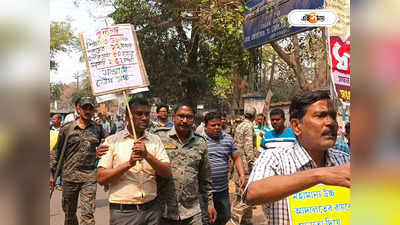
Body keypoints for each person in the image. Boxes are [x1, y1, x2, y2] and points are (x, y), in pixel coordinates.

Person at [245, 90, 350, 225]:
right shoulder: (274, 158)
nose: (331, 123)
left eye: (332, 116)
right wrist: (319, 175)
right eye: (320, 116)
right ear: (296, 126)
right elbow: (252, 194)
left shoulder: (345, 161)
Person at [97, 96, 171, 225]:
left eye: (147, 114)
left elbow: (166, 172)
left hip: (152, 211)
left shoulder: (155, 140)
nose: (144, 118)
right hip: (123, 212)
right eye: (139, 114)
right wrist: (129, 163)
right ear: (128, 116)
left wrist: (147, 155)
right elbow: (102, 178)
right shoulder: (112, 141)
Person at [153, 104, 217, 225]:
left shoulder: (200, 142)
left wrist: (210, 204)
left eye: (189, 117)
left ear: (194, 119)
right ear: (173, 117)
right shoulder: (158, 137)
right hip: (163, 210)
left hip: (192, 211)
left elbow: (205, 178)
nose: (184, 120)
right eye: (181, 116)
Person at [49, 96, 106, 225]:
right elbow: (56, 152)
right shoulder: (67, 129)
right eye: (85, 107)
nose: (88, 111)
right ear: (78, 109)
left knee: (88, 215)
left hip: (89, 177)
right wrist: (51, 174)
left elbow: (106, 144)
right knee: (69, 214)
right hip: (69, 177)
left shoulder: (98, 128)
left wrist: (101, 151)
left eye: (90, 108)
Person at [202, 112, 246, 225]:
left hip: (223, 191)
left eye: (219, 125)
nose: (217, 128)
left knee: (225, 219)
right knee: (207, 220)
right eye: (213, 125)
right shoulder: (199, 140)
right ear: (205, 126)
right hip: (205, 193)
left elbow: (236, 157)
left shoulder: (228, 139)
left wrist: (242, 175)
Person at [232, 107, 257, 225]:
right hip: (245, 166)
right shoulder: (248, 126)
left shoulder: (239, 126)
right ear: (254, 116)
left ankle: (247, 221)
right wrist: (253, 163)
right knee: (246, 194)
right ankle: (235, 217)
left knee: (241, 193)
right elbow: (248, 147)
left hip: (238, 164)